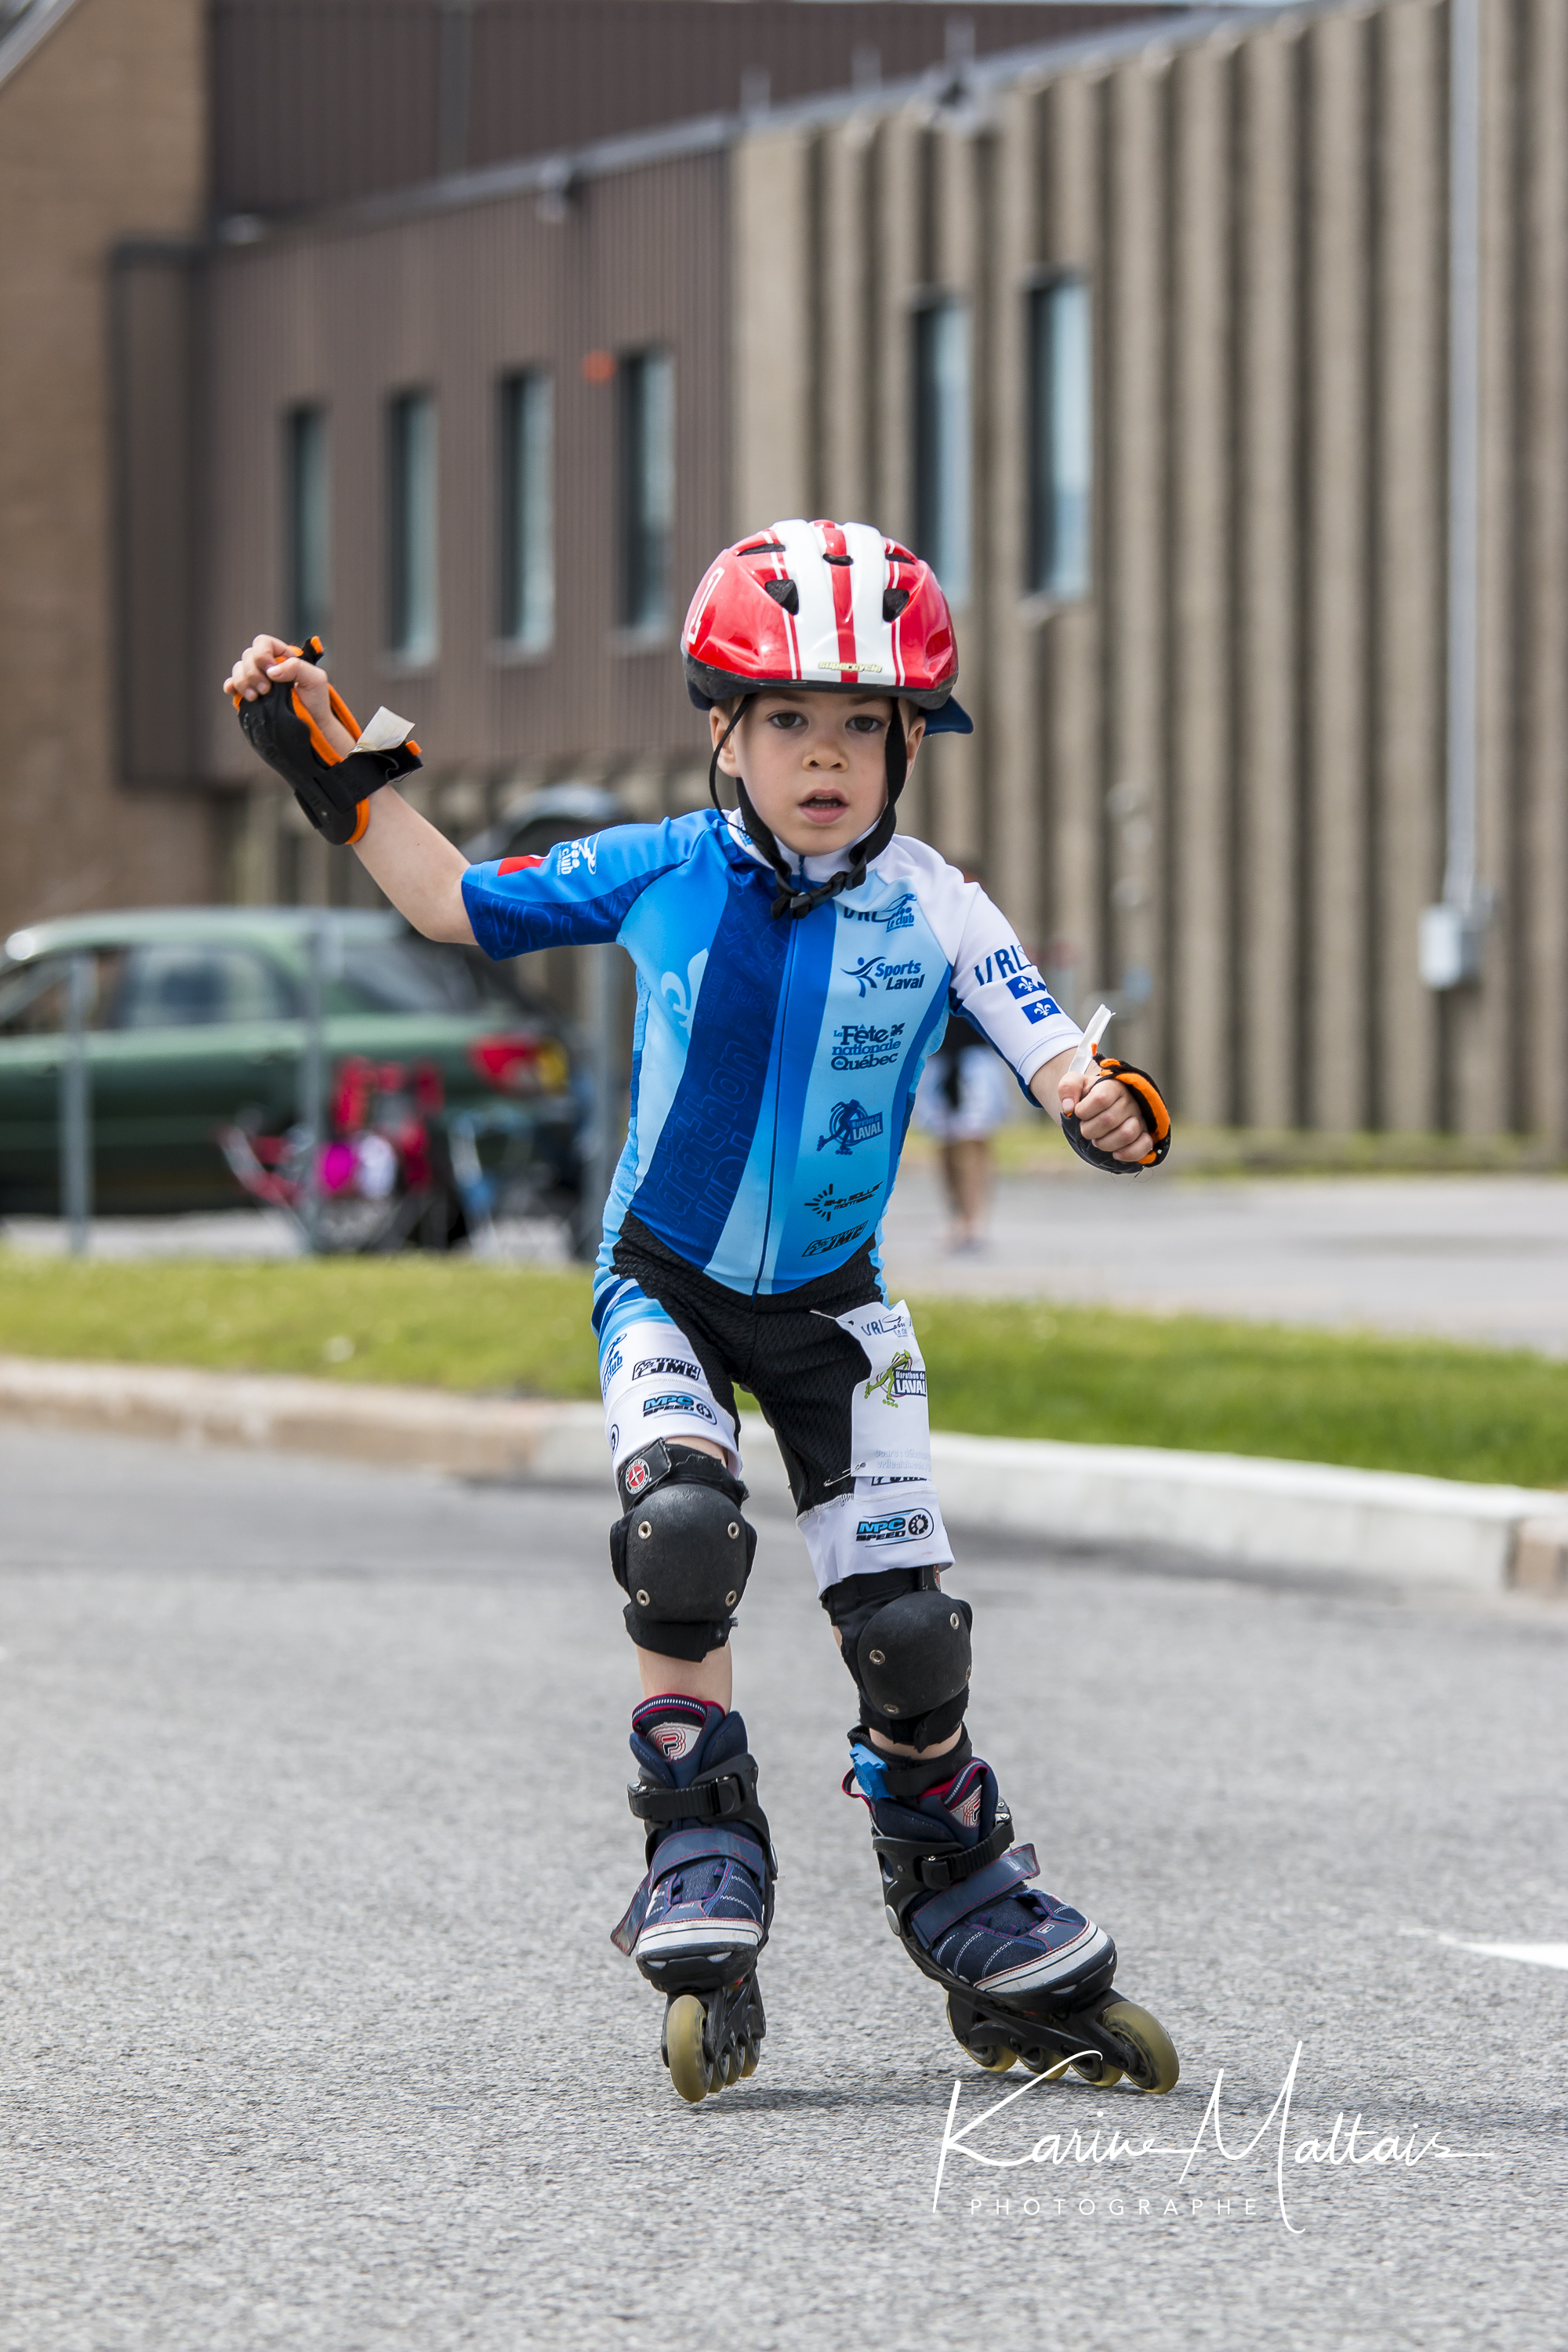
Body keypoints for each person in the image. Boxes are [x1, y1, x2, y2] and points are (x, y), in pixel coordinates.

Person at [223, 517, 1176, 2104]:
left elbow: (1047, 1042)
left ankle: (954, 1877)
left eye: (861, 728)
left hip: (835, 1312)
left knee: (910, 1631)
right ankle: (700, 1842)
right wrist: (342, 775)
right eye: (788, 720)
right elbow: (457, 907)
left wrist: (1099, 1103)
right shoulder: (662, 867)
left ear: (903, 750)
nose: (825, 758)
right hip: (662, 1281)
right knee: (680, 1532)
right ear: (722, 728)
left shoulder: (938, 905)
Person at [911, 864, 1012, 1252]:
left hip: (974, 1056)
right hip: (937, 1056)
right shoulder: (925, 936)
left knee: (973, 1139)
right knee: (945, 1141)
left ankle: (975, 1218)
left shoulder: (992, 938)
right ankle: (956, 1215)